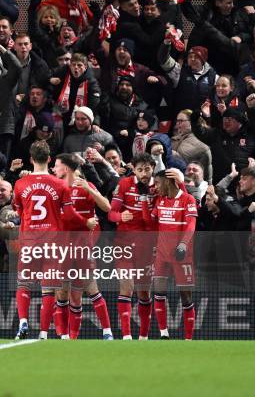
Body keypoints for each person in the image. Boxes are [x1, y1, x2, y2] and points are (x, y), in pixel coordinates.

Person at [12, 142, 94, 340]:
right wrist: (86, 221)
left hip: (30, 240)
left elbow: (19, 211)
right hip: (52, 241)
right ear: (49, 159)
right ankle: (43, 333)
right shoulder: (60, 184)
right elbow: (70, 215)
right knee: (48, 287)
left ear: (31, 159)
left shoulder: (20, 184)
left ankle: (23, 321)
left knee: (24, 283)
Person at [52, 153, 113, 340]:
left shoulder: (85, 187)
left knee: (91, 289)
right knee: (63, 293)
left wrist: (90, 188)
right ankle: (65, 337)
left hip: (83, 246)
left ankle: (107, 332)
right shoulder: (56, 190)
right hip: (61, 247)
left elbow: (107, 208)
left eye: (57, 166)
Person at [142, 170, 198, 340]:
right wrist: (145, 202)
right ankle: (164, 334)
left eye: (158, 183)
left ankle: (188, 339)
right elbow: (149, 221)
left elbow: (191, 225)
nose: (156, 187)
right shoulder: (160, 201)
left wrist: (182, 245)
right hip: (161, 255)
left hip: (182, 255)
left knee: (186, 297)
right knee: (158, 293)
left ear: (168, 182)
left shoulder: (188, 199)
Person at [107, 153, 156, 340]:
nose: (144, 173)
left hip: (148, 246)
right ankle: (126, 336)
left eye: (147, 169)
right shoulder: (125, 184)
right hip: (124, 244)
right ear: (134, 170)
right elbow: (111, 213)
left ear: (153, 167)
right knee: (126, 287)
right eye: (140, 169)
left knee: (144, 292)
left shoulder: (159, 186)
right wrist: (120, 217)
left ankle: (143, 337)